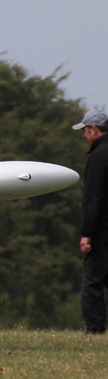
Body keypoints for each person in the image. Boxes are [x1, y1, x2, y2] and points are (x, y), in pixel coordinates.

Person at [74, 110, 108, 333]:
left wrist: (87, 233)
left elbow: (93, 197)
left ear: (93, 129)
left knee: (92, 282)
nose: (84, 136)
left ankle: (95, 330)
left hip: (102, 231)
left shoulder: (98, 157)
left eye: (85, 131)